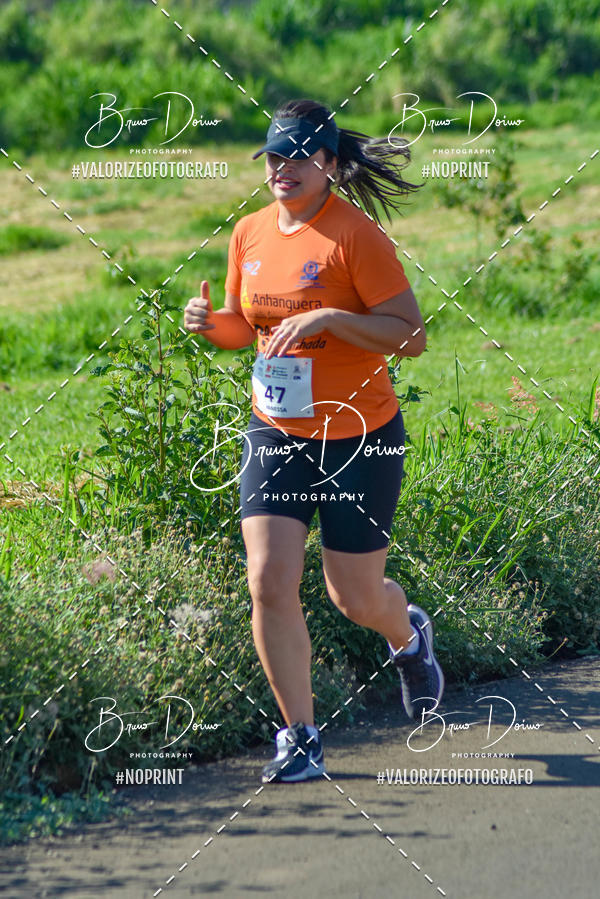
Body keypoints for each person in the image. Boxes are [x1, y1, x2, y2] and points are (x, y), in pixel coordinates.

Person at [183, 98, 444, 784]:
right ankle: (299, 735)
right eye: (274, 155)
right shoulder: (248, 233)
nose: (283, 168)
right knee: (268, 578)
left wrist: (334, 315)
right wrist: (211, 324)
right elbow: (247, 326)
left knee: (353, 597)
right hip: (275, 429)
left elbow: (410, 336)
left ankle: (407, 637)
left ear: (329, 164)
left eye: (299, 156)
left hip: (358, 435)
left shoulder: (354, 237)